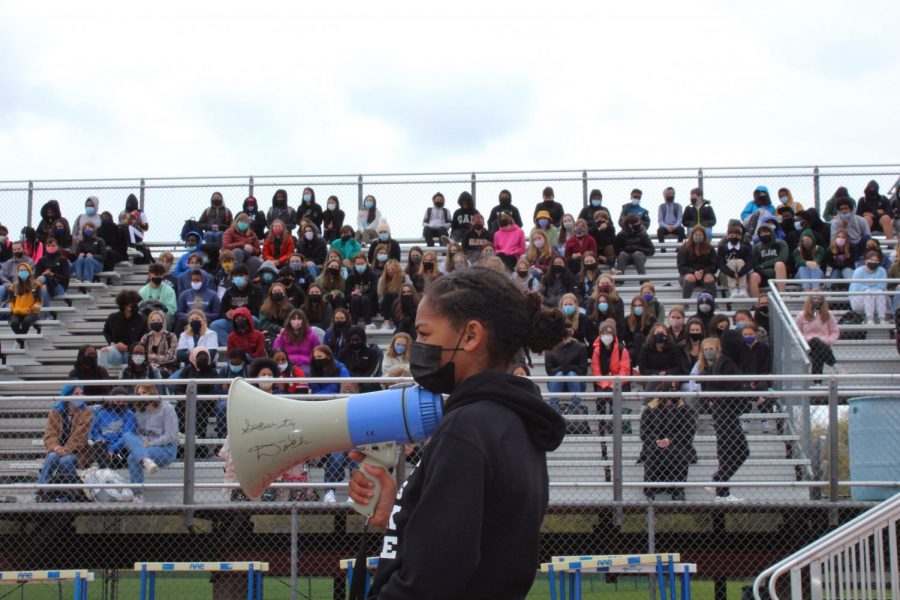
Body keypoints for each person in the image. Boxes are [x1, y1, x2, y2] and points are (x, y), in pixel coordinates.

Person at [347, 266, 567, 599]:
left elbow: (432, 580)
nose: (418, 345)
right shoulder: (513, 423)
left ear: (471, 336)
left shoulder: (466, 430)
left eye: (425, 334)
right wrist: (400, 511)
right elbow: (473, 540)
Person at [698, 334, 749, 501]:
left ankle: (721, 487)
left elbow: (731, 384)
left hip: (727, 411)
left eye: (711, 349)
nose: (708, 352)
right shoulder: (708, 367)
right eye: (705, 349)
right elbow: (708, 390)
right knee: (735, 451)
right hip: (723, 413)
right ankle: (719, 484)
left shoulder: (724, 363)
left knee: (732, 451)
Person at [638, 382, 697, 501]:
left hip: (679, 444)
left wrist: (670, 440)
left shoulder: (685, 408)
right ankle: (650, 489)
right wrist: (657, 440)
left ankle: (678, 490)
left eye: (675, 388)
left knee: (677, 452)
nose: (673, 391)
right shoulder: (651, 407)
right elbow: (644, 432)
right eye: (670, 388)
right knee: (653, 451)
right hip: (655, 443)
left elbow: (689, 432)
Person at [36, 384, 92, 502]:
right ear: (67, 395)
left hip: (78, 452)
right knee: (52, 455)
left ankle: (74, 493)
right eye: (76, 394)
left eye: (82, 393)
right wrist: (55, 446)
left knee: (65, 460)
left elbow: (80, 435)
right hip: (57, 450)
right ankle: (41, 490)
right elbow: (49, 434)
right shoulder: (56, 412)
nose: (80, 396)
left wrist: (66, 449)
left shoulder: (86, 412)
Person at [122, 390, 178, 501]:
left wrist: (151, 444)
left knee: (133, 458)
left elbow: (171, 436)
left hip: (165, 449)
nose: (142, 396)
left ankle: (137, 495)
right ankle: (145, 460)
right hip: (145, 449)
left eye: (145, 392)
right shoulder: (139, 412)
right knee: (127, 435)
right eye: (139, 394)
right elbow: (139, 434)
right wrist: (143, 445)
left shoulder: (167, 408)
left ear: (152, 392)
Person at [545, 319, 587, 411]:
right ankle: (553, 408)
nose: (565, 331)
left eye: (568, 328)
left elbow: (583, 370)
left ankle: (576, 409)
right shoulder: (550, 347)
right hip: (556, 381)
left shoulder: (580, 347)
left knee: (571, 375)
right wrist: (561, 369)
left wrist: (571, 368)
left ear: (572, 330)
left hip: (576, 382)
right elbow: (549, 370)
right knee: (559, 375)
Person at [88, 391, 137, 470]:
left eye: (124, 402)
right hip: (103, 448)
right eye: (118, 401)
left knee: (119, 457)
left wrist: (112, 449)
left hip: (121, 451)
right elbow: (95, 432)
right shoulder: (102, 413)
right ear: (111, 401)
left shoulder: (130, 415)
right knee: (99, 446)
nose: (121, 404)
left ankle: (106, 469)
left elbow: (126, 437)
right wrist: (100, 439)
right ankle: (107, 470)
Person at [100, 290, 148, 368]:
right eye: (132, 304)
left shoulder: (142, 320)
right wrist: (112, 343)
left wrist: (128, 348)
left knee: (135, 356)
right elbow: (106, 331)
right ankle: (101, 378)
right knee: (104, 351)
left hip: (134, 353)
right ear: (124, 306)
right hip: (117, 351)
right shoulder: (113, 318)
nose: (135, 306)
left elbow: (145, 340)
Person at [795, 295, 840, 376]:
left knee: (817, 354)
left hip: (823, 344)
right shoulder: (802, 315)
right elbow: (796, 331)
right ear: (810, 300)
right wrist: (804, 340)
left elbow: (834, 331)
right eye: (814, 298)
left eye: (819, 299)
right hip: (807, 344)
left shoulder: (828, 315)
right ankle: (834, 364)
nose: (816, 301)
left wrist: (828, 341)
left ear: (822, 301)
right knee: (815, 340)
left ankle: (817, 384)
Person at [336, 325, 383, 393]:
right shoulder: (342, 354)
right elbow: (341, 368)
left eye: (357, 340)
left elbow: (374, 370)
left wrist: (362, 382)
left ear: (363, 339)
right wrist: (353, 381)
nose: (355, 342)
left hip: (368, 382)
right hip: (349, 383)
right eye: (352, 340)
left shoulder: (373, 353)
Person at [273, 308, 320, 374]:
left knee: (306, 372)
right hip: (288, 363)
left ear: (303, 321)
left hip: (305, 363)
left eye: (299, 319)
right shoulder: (284, 334)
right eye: (293, 319)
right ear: (289, 321)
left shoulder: (311, 334)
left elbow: (317, 349)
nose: (296, 321)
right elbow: (276, 348)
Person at [749, 222, 788, 297]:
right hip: (763, 274)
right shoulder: (756, 247)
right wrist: (765, 269)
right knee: (753, 276)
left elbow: (783, 258)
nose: (764, 234)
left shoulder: (781, 243)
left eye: (766, 232)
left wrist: (764, 265)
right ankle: (756, 304)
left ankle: (781, 296)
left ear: (771, 232)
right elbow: (755, 265)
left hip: (778, 272)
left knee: (779, 264)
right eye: (762, 233)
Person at [677, 226, 717, 298]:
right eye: (696, 235)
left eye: (700, 235)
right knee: (690, 277)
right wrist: (694, 272)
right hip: (687, 275)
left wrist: (703, 271)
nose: (698, 236)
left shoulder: (710, 248)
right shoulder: (684, 248)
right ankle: (685, 303)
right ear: (692, 236)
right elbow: (681, 267)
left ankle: (713, 302)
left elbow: (714, 266)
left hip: (704, 275)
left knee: (709, 278)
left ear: (704, 236)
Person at [849, 251, 889, 323]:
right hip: (859, 301)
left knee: (879, 292)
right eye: (871, 260)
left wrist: (871, 289)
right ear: (865, 261)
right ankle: (870, 319)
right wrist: (870, 289)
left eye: (876, 260)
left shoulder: (882, 271)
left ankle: (882, 318)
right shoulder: (858, 271)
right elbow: (857, 287)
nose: (873, 262)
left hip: (877, 300)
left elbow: (882, 286)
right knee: (868, 292)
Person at [140, 310, 179, 378]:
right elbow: (141, 355)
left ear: (163, 321)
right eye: (153, 320)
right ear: (149, 323)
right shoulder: (145, 337)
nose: (156, 322)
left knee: (156, 372)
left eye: (158, 320)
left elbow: (172, 357)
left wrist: (151, 358)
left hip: (167, 368)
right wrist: (154, 361)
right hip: (148, 368)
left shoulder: (171, 336)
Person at [7, 263, 42, 335]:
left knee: (27, 320)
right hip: (17, 311)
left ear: (29, 271)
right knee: (13, 322)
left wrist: (31, 309)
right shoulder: (13, 286)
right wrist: (14, 309)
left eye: (25, 270)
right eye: (20, 270)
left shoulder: (36, 285)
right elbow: (10, 301)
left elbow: (39, 302)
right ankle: (21, 338)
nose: (22, 272)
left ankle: (21, 338)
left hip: (31, 312)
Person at [345, 253, 379, 326]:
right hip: (355, 306)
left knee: (364, 298)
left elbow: (374, 293)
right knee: (355, 299)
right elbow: (347, 295)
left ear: (366, 263)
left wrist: (361, 294)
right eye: (357, 264)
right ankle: (354, 323)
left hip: (370, 306)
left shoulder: (372, 275)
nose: (360, 265)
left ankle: (368, 323)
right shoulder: (350, 277)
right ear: (354, 264)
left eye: (362, 263)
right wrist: (352, 294)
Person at [34, 237, 70, 305]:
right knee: (44, 288)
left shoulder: (63, 260)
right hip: (45, 286)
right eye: (49, 245)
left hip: (58, 286)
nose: (51, 247)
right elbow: (36, 276)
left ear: (57, 246)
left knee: (44, 279)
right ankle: (47, 315)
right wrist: (44, 274)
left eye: (53, 245)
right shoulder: (41, 261)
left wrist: (52, 274)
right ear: (46, 247)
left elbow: (65, 278)